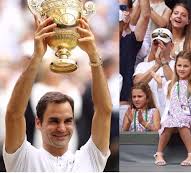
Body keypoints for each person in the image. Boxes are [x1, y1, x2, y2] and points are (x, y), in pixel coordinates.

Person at [3, 16, 112, 171]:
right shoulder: (23, 158)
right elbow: (14, 114)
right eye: (54, 121)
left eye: (68, 121)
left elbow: (104, 111)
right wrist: (37, 57)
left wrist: (93, 54)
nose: (61, 128)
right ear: (38, 123)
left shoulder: (90, 158)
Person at [153, 51, 191, 166]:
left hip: (189, 118)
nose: (182, 69)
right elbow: (163, 105)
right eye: (179, 65)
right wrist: (159, 86)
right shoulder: (169, 84)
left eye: (186, 66)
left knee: (181, 121)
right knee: (168, 123)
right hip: (172, 117)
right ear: (175, 66)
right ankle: (159, 153)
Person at [133, 28, 175, 113]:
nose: (159, 46)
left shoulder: (178, 64)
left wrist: (163, 61)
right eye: (156, 43)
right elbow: (137, 85)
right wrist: (157, 65)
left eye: (163, 43)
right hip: (149, 114)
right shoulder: (143, 65)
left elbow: (175, 85)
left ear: (171, 46)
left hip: (170, 112)